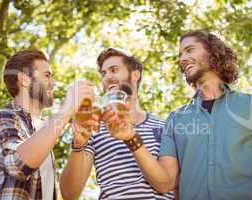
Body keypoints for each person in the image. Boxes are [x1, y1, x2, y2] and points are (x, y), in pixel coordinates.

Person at [158, 30, 252, 200]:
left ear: (213, 53)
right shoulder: (175, 119)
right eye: (181, 54)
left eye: (189, 50)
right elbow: (167, 181)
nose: (182, 59)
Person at [60, 48, 174, 199]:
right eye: (103, 73)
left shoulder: (164, 126)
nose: (107, 77)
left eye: (113, 70)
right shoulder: (95, 127)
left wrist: (131, 138)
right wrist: (78, 145)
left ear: (135, 75)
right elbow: (69, 195)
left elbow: (165, 185)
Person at [0, 49, 94, 199]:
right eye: (47, 75)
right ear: (24, 79)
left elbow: (69, 196)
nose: (53, 83)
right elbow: (17, 165)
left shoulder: (43, 132)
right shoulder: (3, 117)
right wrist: (67, 109)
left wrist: (78, 145)